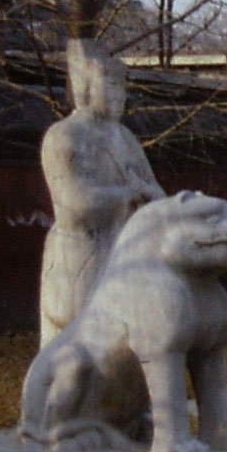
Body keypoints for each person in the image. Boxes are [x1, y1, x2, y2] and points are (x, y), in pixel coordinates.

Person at [38, 39, 163, 343]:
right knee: (78, 344)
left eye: (122, 88)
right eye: (109, 85)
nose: (118, 95)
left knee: (125, 341)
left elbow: (158, 196)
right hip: (81, 256)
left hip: (127, 253)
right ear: (86, 86)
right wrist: (128, 194)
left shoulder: (125, 138)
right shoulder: (65, 136)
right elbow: (72, 204)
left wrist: (145, 192)